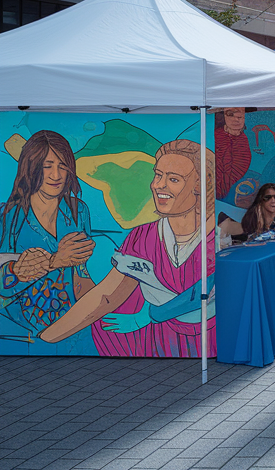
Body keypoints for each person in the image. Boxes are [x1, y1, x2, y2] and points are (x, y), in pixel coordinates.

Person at [41, 139, 216, 358]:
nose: (158, 185)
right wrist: (48, 337)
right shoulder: (142, 237)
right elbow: (107, 294)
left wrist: (148, 315)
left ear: (201, 185)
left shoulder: (216, 237)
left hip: (209, 340)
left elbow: (199, 293)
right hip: (156, 344)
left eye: (173, 179)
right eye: (158, 175)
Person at [0, 130, 97, 354]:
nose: (56, 175)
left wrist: (105, 302)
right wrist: (53, 261)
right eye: (47, 165)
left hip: (71, 326)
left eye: (63, 166)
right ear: (31, 167)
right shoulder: (10, 215)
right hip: (21, 333)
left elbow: (80, 274)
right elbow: (4, 284)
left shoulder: (78, 210)